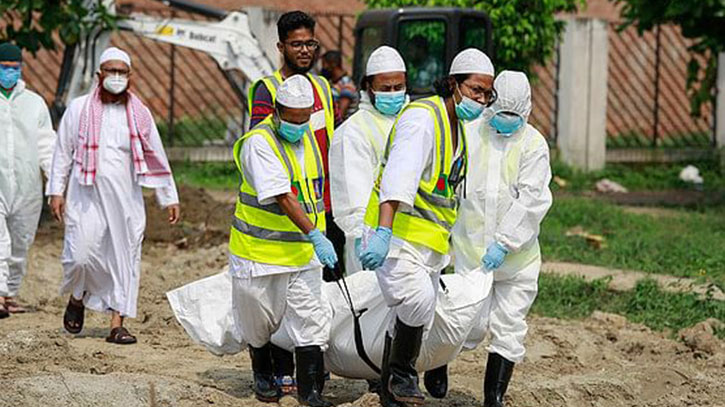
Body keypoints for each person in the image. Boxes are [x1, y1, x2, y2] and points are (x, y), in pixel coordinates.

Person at [359, 48, 496, 407]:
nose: (480, 100)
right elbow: (397, 180)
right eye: (476, 91)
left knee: (412, 313)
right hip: (396, 236)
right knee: (416, 302)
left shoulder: (457, 129)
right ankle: (403, 376)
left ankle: (390, 387)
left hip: (427, 243)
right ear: (453, 83)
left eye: (486, 94)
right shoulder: (423, 119)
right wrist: (383, 234)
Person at [47, 47, 180, 344]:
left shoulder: (140, 114)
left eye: (122, 72)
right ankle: (78, 297)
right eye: (111, 71)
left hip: (125, 200)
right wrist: (56, 190)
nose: (116, 77)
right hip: (85, 196)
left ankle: (117, 322)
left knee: (124, 257)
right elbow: (62, 152)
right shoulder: (79, 109)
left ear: (130, 76)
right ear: (99, 75)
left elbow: (156, 154)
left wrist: (168, 195)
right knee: (80, 256)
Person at [247, 10, 342, 391]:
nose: (304, 50)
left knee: (313, 293)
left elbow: (327, 145)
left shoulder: (322, 89)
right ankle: (273, 366)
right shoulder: (267, 90)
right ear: (281, 47)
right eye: (296, 44)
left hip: (321, 204)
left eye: (310, 43)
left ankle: (309, 364)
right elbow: (262, 150)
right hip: (282, 207)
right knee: (276, 293)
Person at [229, 75, 337, 406]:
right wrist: (317, 234)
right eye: (292, 119)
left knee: (310, 319)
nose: (299, 126)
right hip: (260, 253)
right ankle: (263, 374)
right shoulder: (259, 143)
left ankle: (311, 393)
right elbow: (283, 197)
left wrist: (318, 237)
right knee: (259, 322)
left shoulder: (306, 140)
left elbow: (312, 190)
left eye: (305, 119)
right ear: (276, 112)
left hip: (303, 254)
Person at [452, 70, 552, 407]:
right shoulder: (471, 133)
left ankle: (494, 396)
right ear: (491, 105)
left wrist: (505, 242)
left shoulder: (534, 144)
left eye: (514, 116)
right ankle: (437, 365)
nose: (507, 122)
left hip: (518, 258)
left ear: (526, 111)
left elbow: (532, 200)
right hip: (470, 253)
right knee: (469, 322)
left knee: (509, 324)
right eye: (501, 114)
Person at [329, 45, 407, 276]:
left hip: (411, 241)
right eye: (385, 88)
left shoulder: (414, 121)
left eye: (398, 87)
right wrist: (368, 241)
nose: (393, 93)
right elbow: (353, 198)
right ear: (368, 87)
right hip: (370, 243)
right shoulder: (354, 131)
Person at [0, 42, 56, 318]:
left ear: (20, 68)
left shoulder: (34, 103)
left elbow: (47, 143)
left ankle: (10, 293)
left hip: (28, 185)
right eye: (3, 68)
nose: (9, 73)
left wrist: (55, 180)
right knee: (0, 240)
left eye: (13, 68)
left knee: (21, 241)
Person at [320, 50, 358, 123]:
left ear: (333, 64)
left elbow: (340, 114)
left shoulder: (346, 85)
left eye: (324, 64)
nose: (323, 68)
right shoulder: (333, 83)